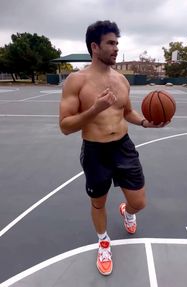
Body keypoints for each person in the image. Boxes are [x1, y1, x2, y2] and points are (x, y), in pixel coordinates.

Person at [59, 20, 169, 276]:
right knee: (98, 203)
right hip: (95, 151)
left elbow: (127, 112)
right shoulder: (77, 81)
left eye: (117, 43)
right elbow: (65, 126)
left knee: (139, 202)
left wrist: (144, 122)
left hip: (123, 147)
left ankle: (128, 213)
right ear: (94, 47)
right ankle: (103, 241)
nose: (116, 48)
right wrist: (95, 108)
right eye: (110, 43)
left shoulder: (121, 81)